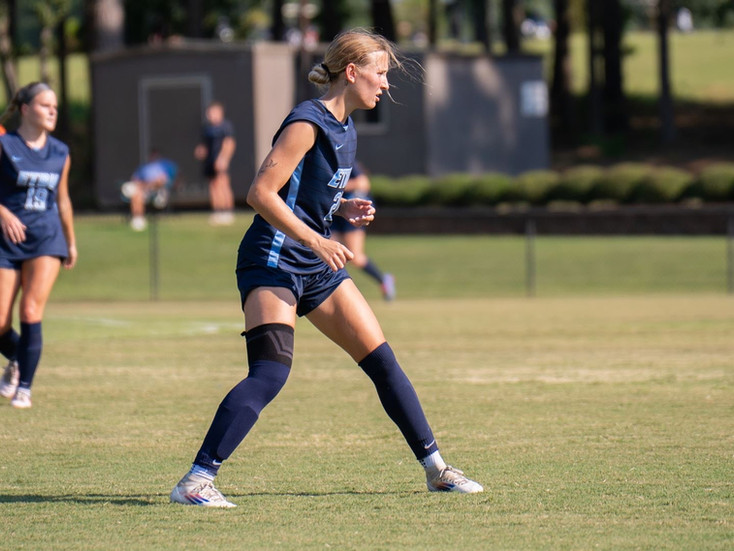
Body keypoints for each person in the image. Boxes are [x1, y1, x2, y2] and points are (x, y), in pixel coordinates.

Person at [170, 29, 482, 508]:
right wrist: (317, 238)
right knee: (270, 374)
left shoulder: (346, 128)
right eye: (380, 73)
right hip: (273, 261)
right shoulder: (307, 122)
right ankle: (195, 482)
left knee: (382, 361)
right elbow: (260, 193)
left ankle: (437, 469)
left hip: (313, 264)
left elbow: (303, 198)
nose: (385, 84)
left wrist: (340, 210)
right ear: (352, 72)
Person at [0, 82, 77, 409]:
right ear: (25, 109)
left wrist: (70, 242)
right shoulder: (5, 145)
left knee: (30, 309)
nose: (52, 111)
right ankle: (19, 359)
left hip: (46, 238)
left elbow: (62, 200)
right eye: (45, 105)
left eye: (55, 106)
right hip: (6, 239)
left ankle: (25, 388)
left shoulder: (60, 152)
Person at [331, 162, 395, 300]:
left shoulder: (345, 160)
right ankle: (338, 294)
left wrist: (336, 187)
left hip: (348, 211)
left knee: (356, 257)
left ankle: (384, 280)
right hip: (332, 213)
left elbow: (363, 183)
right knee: (330, 256)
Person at [194, 101, 236, 226]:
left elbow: (229, 144)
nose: (211, 115)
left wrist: (224, 159)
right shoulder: (207, 129)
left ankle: (227, 211)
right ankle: (217, 211)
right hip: (209, 161)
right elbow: (205, 145)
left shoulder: (225, 127)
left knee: (223, 184)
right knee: (213, 186)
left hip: (220, 161)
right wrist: (201, 151)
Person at [121, 150, 178, 231]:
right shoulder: (143, 167)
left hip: (158, 192)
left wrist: (148, 184)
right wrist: (144, 185)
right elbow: (135, 180)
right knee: (137, 193)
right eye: (152, 155)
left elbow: (161, 181)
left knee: (139, 192)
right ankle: (138, 218)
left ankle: (138, 219)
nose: (153, 157)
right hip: (143, 191)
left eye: (155, 155)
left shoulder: (164, 166)